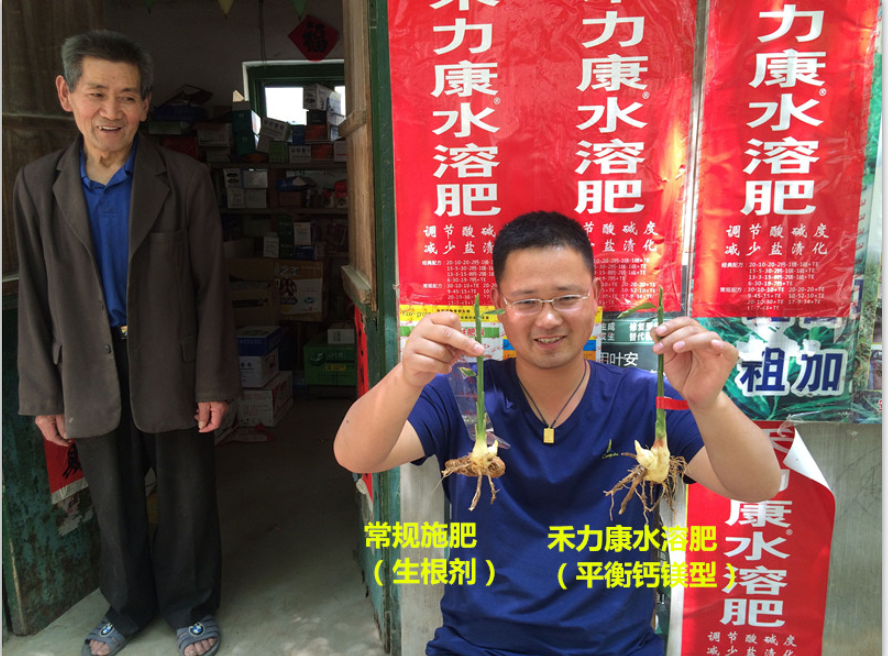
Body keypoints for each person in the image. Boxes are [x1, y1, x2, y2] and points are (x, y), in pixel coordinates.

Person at [334, 211, 782, 656]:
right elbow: (356, 455)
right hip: (478, 647)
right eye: (526, 301)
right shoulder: (463, 392)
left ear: (595, 296)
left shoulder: (645, 397)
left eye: (566, 298)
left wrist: (709, 402)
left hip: (615, 649)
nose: (548, 320)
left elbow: (758, 485)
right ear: (499, 304)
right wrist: (407, 376)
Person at [13, 30, 241, 656]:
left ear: (145, 104)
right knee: (112, 499)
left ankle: (191, 605)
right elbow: (34, 295)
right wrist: (43, 395)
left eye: (127, 96)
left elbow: (211, 289)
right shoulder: (36, 185)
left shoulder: (185, 180)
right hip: (86, 366)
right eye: (96, 93)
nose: (110, 111)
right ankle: (127, 606)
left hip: (173, 361)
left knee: (187, 494)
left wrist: (215, 383)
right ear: (66, 95)